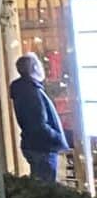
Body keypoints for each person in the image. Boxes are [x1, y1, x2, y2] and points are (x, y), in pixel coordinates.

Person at [10, 53, 71, 182]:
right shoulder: (32, 92)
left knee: (41, 183)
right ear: (35, 68)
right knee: (45, 186)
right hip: (43, 147)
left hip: (36, 145)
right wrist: (57, 137)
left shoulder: (25, 89)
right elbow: (39, 124)